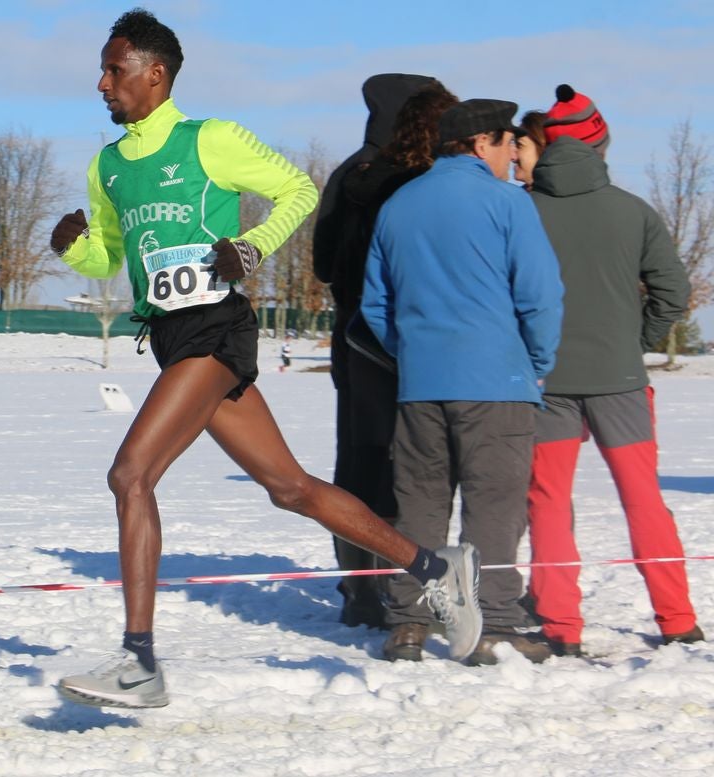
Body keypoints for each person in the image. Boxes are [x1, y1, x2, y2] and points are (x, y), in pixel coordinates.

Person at [49, 8, 482, 709]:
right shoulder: (106, 168)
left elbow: (297, 190)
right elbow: (110, 257)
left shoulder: (209, 140)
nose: (103, 83)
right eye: (102, 70)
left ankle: (139, 661)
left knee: (131, 473)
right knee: (291, 488)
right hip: (170, 340)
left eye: (114, 69)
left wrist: (251, 248)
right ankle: (434, 567)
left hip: (216, 331)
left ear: (155, 75)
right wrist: (75, 247)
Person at [361, 98, 564, 666]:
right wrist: (537, 359)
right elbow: (541, 294)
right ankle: (495, 621)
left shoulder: (399, 204)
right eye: (507, 144)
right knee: (494, 506)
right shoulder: (507, 204)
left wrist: (413, 353)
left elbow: (376, 304)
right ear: (481, 144)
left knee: (419, 504)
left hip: (420, 383)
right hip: (497, 380)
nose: (511, 157)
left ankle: (408, 621)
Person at [519, 86, 703, 655]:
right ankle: (677, 620)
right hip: (621, 383)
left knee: (547, 502)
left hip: (545, 383)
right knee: (643, 498)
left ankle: (560, 628)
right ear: (597, 144)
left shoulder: (519, 209)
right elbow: (673, 293)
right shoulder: (634, 210)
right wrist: (635, 342)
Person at [314, 80, 459, 628]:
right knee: (417, 467)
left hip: (353, 339)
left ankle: (360, 588)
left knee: (357, 460)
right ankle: (408, 587)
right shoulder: (425, 178)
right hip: (414, 340)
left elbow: (323, 265)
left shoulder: (348, 175)